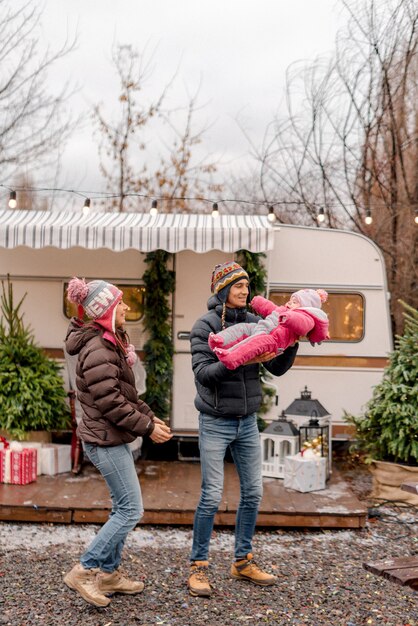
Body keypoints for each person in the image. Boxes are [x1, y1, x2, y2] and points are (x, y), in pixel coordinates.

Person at [188, 261, 299, 597]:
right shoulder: (203, 326)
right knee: (210, 497)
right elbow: (204, 374)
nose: (244, 291)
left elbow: (277, 367)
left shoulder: (255, 322)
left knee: (253, 492)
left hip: (247, 422)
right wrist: (238, 357)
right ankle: (198, 567)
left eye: (247, 285)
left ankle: (242, 560)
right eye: (237, 286)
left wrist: (292, 339)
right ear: (222, 289)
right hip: (215, 420)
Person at [63, 277, 172, 608]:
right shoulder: (99, 349)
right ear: (106, 310)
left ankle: (109, 575)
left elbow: (127, 395)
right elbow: (111, 403)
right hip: (104, 442)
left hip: (110, 438)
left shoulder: (108, 344)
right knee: (131, 509)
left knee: (122, 507)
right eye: (121, 302)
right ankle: (85, 569)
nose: (126, 307)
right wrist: (146, 429)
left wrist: (150, 419)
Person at [208, 289, 329, 370]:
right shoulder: (207, 323)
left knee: (254, 342)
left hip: (272, 340)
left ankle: (231, 357)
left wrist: (289, 320)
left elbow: (302, 323)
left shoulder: (302, 317)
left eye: (295, 302)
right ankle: (220, 340)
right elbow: (269, 308)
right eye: (238, 286)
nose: (245, 291)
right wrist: (258, 302)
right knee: (242, 328)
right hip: (261, 329)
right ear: (224, 291)